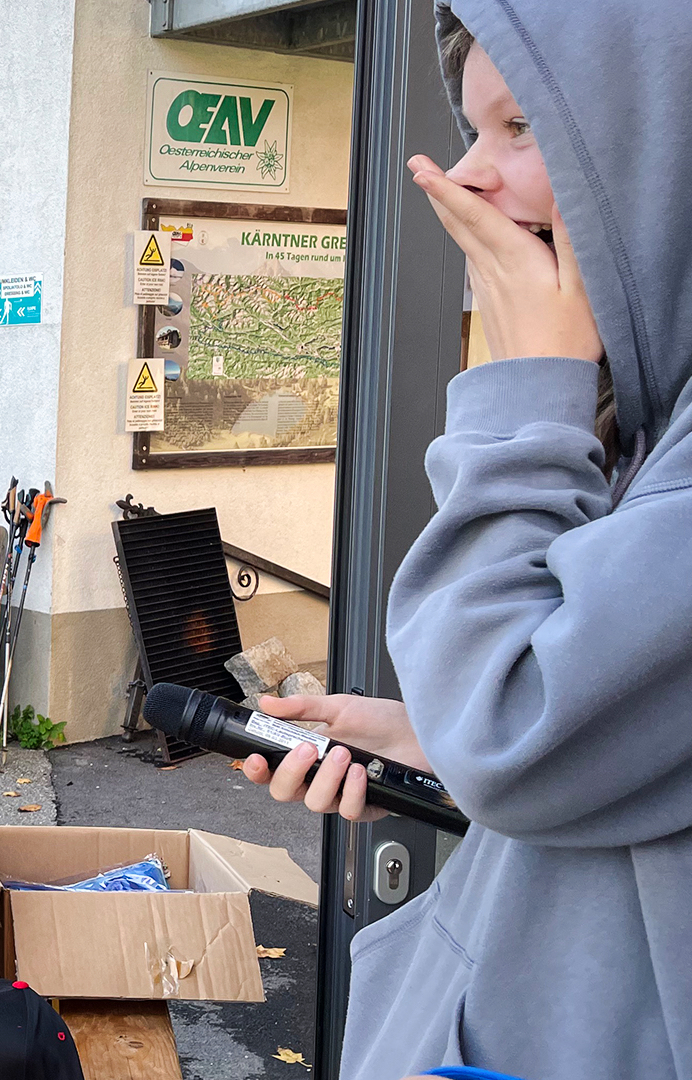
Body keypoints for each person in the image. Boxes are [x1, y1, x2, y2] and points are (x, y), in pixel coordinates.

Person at [242, 3, 692, 1077]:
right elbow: (590, 739)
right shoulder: (656, 421)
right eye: (475, 128)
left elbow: (516, 733)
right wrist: (429, 741)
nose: (466, 175)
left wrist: (525, 391)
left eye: (524, 125)